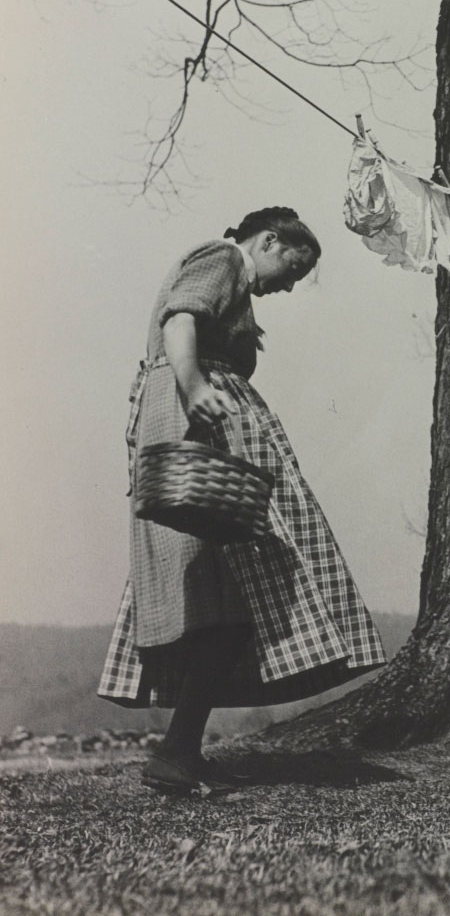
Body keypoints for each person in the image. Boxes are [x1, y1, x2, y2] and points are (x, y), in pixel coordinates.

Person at [98, 207, 387, 794]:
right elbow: (181, 320)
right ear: (269, 240)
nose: (288, 284)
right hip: (194, 432)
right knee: (229, 593)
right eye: (292, 267)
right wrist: (195, 386)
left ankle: (179, 751)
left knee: (225, 603)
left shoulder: (237, 283)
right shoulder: (222, 258)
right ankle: (177, 752)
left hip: (195, 431)